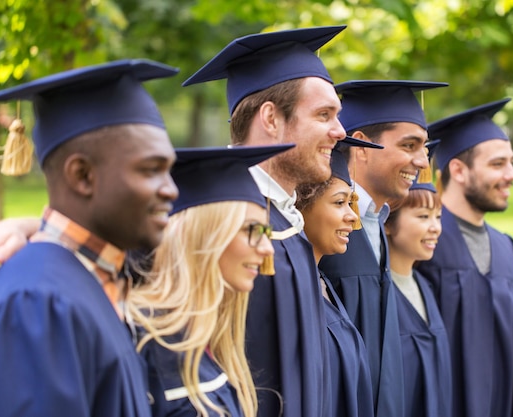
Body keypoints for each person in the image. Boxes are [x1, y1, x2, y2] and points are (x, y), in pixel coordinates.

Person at [0, 59, 179, 417]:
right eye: (150, 170)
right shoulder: (38, 302)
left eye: (169, 170)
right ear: (82, 175)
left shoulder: (100, 278)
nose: (171, 189)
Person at [183, 26, 348, 417]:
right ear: (271, 119)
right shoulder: (215, 222)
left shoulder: (289, 222)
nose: (339, 132)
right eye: (324, 115)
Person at [131, 144, 292, 417]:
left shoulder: (207, 343)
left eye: (266, 230)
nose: (268, 249)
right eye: (251, 230)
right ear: (202, 235)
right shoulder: (141, 341)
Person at [319, 80, 447, 417]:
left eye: (424, 148)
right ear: (361, 146)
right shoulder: (325, 229)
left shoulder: (377, 223)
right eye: (409, 145)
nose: (422, 161)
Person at [417, 98, 513, 417]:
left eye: (511, 162)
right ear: (458, 170)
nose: (512, 174)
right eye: (498, 164)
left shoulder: (509, 251)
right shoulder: (422, 246)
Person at [296, 137, 380, 417]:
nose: (353, 218)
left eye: (351, 203)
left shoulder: (322, 284)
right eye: (340, 202)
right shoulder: (292, 292)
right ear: (300, 206)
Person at [383, 141, 452, 417]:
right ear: (387, 223)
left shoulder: (424, 286)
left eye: (438, 216)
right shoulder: (380, 294)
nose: (435, 227)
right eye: (423, 216)